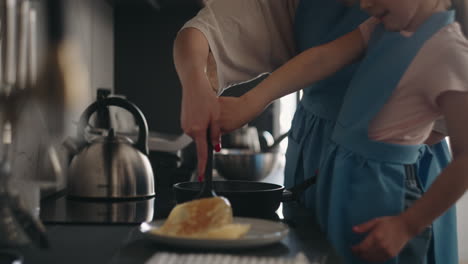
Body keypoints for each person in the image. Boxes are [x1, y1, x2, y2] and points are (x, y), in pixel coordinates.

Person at [217, 0, 467, 263]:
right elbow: (320, 59)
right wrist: (249, 102)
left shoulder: (451, 52)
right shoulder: (382, 26)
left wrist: (407, 225)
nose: (365, 4)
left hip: (387, 192)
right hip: (342, 179)